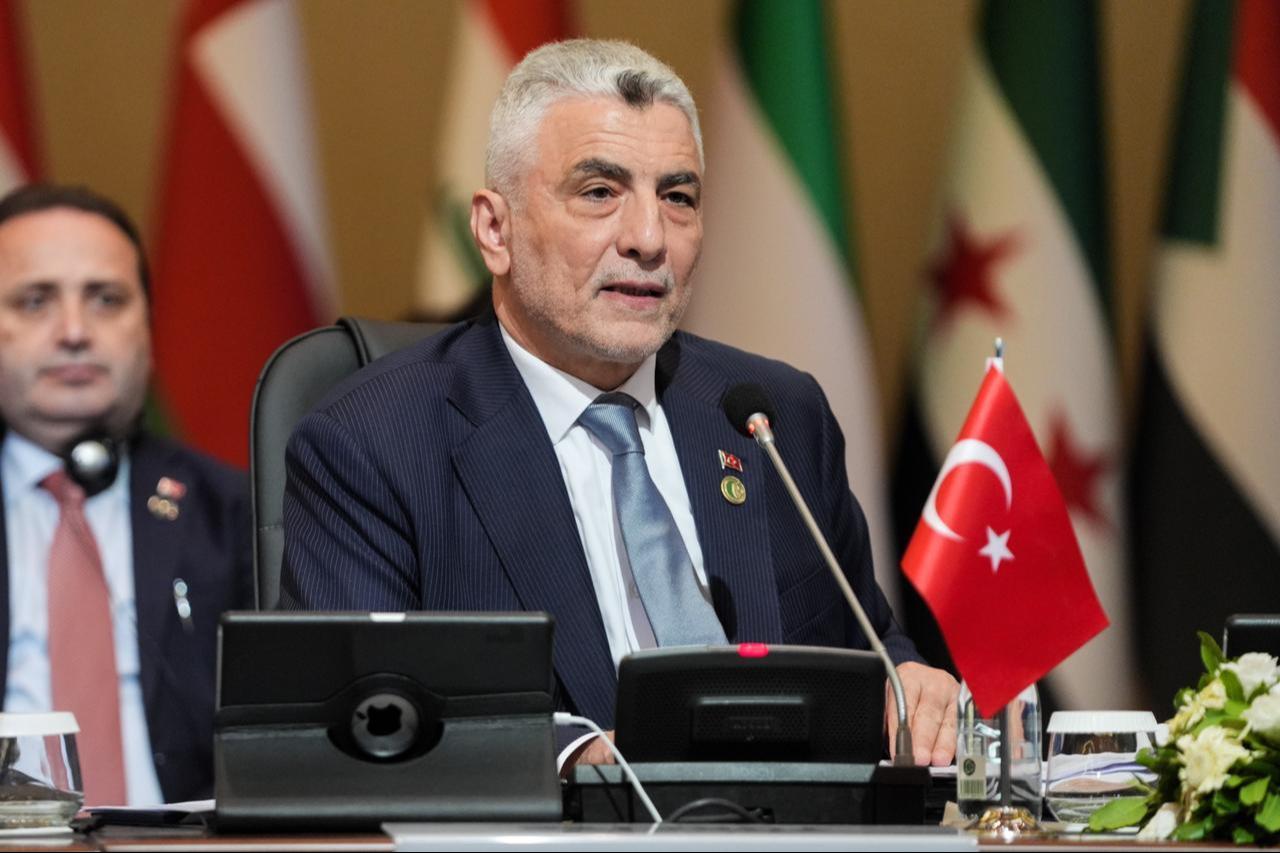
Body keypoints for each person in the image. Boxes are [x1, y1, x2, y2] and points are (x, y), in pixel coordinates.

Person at [281, 39, 958, 767]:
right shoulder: (372, 441)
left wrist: (909, 683)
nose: (647, 239)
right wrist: (569, 754)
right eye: (599, 192)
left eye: (678, 197)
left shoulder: (773, 417)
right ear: (494, 229)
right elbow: (359, 725)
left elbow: (865, 649)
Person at [0, 184, 253, 805]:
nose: (75, 331)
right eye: (35, 301)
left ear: (147, 321)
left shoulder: (235, 514)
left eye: (106, 299)